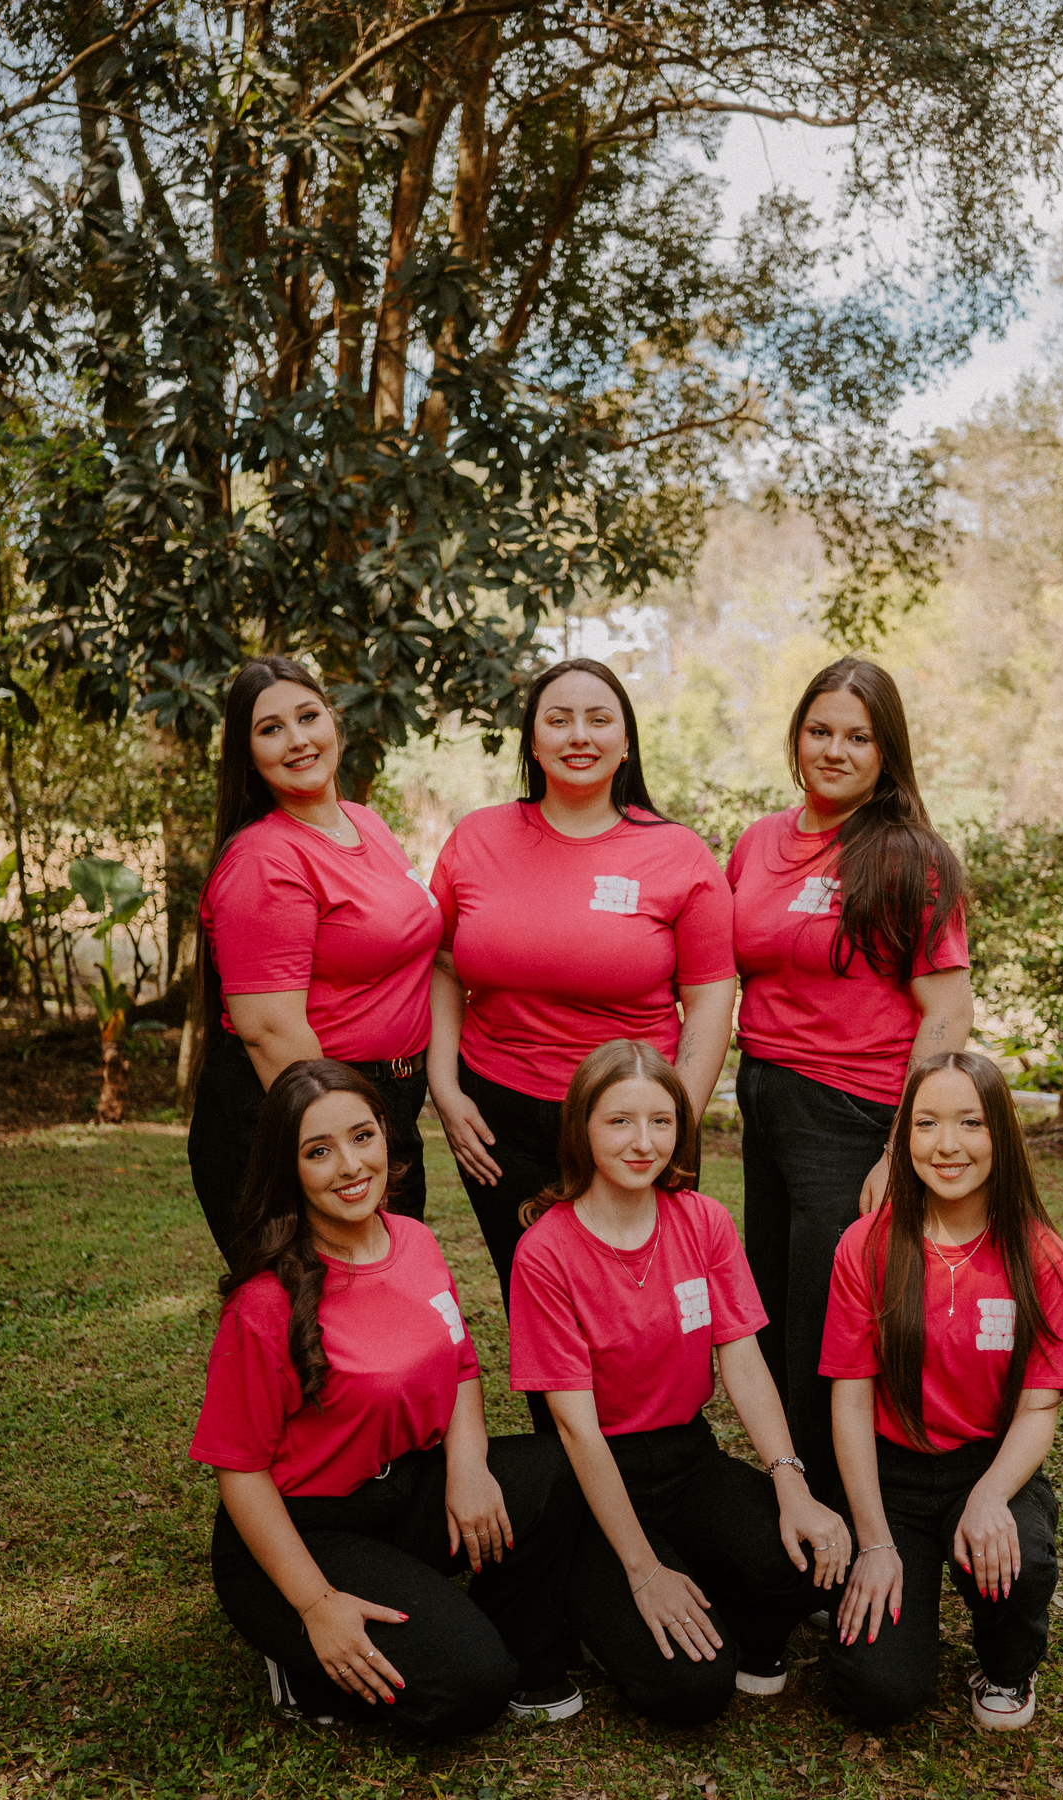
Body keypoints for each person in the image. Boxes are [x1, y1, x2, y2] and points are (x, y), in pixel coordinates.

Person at [189, 1058, 584, 1737]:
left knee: (555, 1471)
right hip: (310, 1527)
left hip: (407, 1491)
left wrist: (468, 1465)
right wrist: (316, 1604)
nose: (350, 1166)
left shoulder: (418, 1243)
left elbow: (461, 1366)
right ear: (288, 1167)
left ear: (385, 1136)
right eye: (318, 1151)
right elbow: (241, 1473)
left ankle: (491, 1631)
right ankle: (300, 1661)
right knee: (471, 1687)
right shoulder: (263, 1305)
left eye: (362, 1136)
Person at [508, 1039, 851, 1726]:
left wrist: (792, 1486)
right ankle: (594, 1597)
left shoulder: (703, 1220)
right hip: (599, 1475)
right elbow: (576, 1428)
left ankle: (705, 1595)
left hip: (689, 1458)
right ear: (581, 1128)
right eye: (620, 1121)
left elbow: (743, 1360)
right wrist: (642, 1571)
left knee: (812, 1559)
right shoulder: (545, 1251)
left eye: (660, 1121)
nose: (644, 1142)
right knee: (691, 1690)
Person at [728, 656, 974, 1501]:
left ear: (885, 751)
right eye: (820, 731)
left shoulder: (908, 857)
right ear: (797, 737)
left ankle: (840, 1513)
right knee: (769, 1304)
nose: (834, 751)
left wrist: (900, 1147)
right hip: (765, 1099)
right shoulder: (759, 841)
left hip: (851, 1116)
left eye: (858, 737)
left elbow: (946, 1010)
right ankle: (793, 1489)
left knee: (822, 1325)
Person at [428, 658, 736, 1333]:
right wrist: (445, 1087)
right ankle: (559, 1410)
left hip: (632, 1117)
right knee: (536, 1305)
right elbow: (444, 962)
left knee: (639, 1311)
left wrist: (676, 1119)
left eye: (599, 720)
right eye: (559, 719)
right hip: (499, 1118)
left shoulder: (678, 853)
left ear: (625, 743)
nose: (579, 735)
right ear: (533, 741)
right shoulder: (476, 839)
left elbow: (712, 996)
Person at [822, 1050, 1063, 1731]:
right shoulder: (865, 1245)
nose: (947, 1145)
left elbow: (1038, 1405)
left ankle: (1006, 1665)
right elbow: (850, 1398)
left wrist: (992, 1495)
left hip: (987, 1464)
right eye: (926, 1123)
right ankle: (902, 1614)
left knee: (1018, 1561)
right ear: (904, 1137)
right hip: (893, 1478)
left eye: (970, 1122)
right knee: (879, 1692)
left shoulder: (1041, 1255)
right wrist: (873, 1541)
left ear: (1001, 1134)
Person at [188, 656, 443, 1260]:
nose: (297, 740)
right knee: (316, 1298)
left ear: (334, 721)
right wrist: (338, 1145)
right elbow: (270, 1031)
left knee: (380, 1290)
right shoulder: (263, 859)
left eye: (308, 717)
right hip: (296, 1105)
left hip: (382, 1100)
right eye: (270, 729)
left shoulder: (364, 823)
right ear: (248, 754)